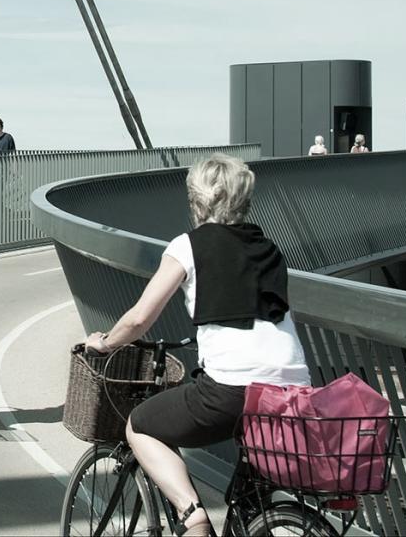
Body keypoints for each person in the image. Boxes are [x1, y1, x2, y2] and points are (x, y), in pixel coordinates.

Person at [82, 153, 311, 536]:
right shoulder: (270, 249)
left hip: (231, 391)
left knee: (139, 426)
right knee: (251, 496)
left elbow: (139, 319)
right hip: (293, 392)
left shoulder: (188, 246)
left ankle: (193, 517)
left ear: (196, 200)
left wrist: (105, 342)